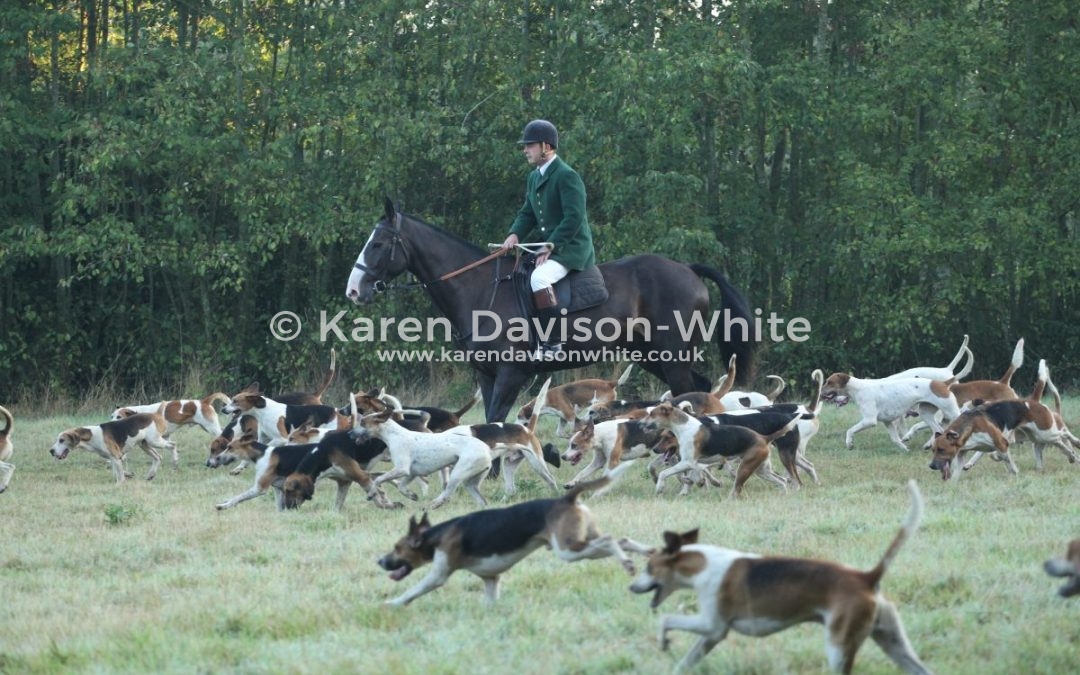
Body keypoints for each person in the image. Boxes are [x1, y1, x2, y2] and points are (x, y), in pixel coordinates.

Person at [500, 119, 595, 358]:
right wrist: (514, 234)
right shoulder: (535, 177)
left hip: (571, 248)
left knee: (539, 278)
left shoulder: (567, 176)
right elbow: (528, 213)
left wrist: (550, 245)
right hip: (550, 247)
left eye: (529, 145)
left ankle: (553, 343)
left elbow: (574, 218)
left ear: (546, 146)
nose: (525, 150)